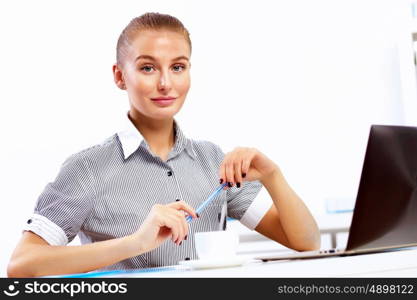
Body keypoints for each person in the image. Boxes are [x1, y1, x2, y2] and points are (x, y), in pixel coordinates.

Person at [7, 12, 320, 278]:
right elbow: (22, 265)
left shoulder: (213, 161)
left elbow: (306, 242)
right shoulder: (87, 169)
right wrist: (135, 243)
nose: (165, 83)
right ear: (119, 76)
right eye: (147, 67)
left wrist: (272, 176)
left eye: (178, 67)